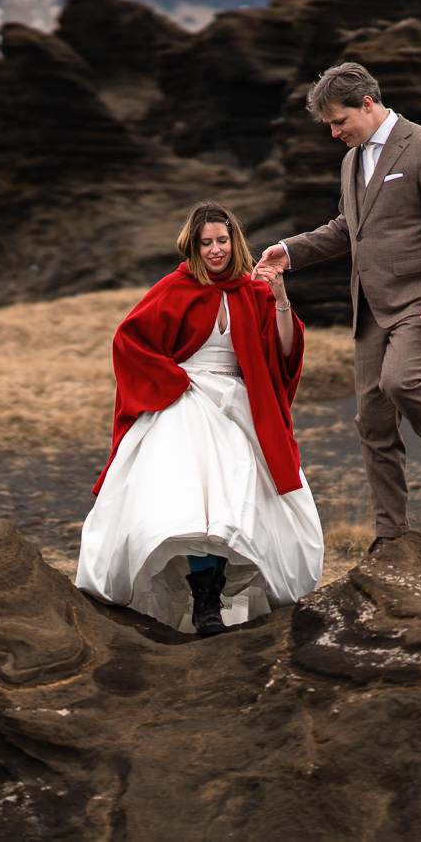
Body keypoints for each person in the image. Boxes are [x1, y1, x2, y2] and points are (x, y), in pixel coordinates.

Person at [75, 201, 323, 636]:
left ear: (234, 242)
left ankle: (214, 592)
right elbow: (129, 341)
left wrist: (281, 297)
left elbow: (285, 353)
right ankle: (205, 602)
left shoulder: (254, 290)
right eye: (206, 242)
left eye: (222, 241)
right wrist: (171, 380)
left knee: (236, 497)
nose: (215, 250)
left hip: (240, 405)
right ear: (193, 246)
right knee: (190, 499)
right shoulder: (175, 287)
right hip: (186, 400)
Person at [257, 62, 421, 553]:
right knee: (372, 422)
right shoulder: (353, 160)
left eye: (339, 121)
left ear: (368, 104)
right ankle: (390, 533)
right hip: (370, 307)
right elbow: (345, 228)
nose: (335, 133)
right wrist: (289, 252)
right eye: (330, 126)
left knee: (402, 381)